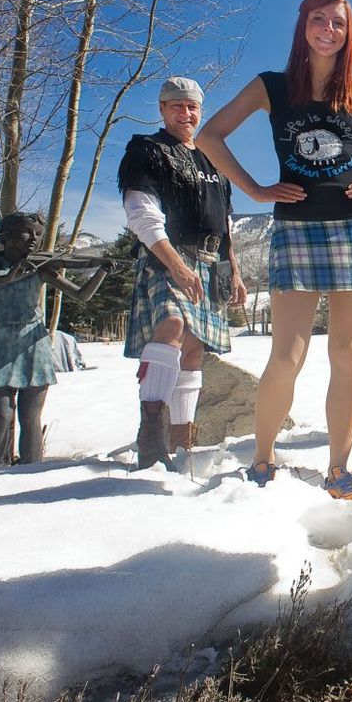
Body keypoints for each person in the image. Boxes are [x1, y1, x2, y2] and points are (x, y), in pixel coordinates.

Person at [197, 0, 352, 498]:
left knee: (347, 352)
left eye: (339, 23)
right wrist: (255, 189)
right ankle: (262, 461)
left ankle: (338, 468)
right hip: (295, 228)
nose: (329, 30)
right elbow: (209, 136)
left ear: (349, 34)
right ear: (303, 24)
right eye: (320, 19)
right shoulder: (272, 86)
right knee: (287, 354)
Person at [119, 76, 247, 470]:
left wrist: (234, 271)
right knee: (172, 326)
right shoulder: (148, 149)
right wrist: (174, 263)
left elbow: (224, 224)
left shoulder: (213, 157)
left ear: (200, 111)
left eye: (191, 106)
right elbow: (140, 212)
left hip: (209, 263)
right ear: (162, 109)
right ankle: (151, 437)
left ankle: (181, 441)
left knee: (193, 351)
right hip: (166, 255)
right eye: (176, 105)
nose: (185, 113)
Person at [0, 212, 113, 468]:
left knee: (30, 417)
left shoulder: (39, 268)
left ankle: (31, 471)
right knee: (1, 414)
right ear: (6, 236)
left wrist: (101, 270)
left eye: (38, 234)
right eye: (27, 232)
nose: (34, 239)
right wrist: (5, 277)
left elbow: (82, 296)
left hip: (32, 344)